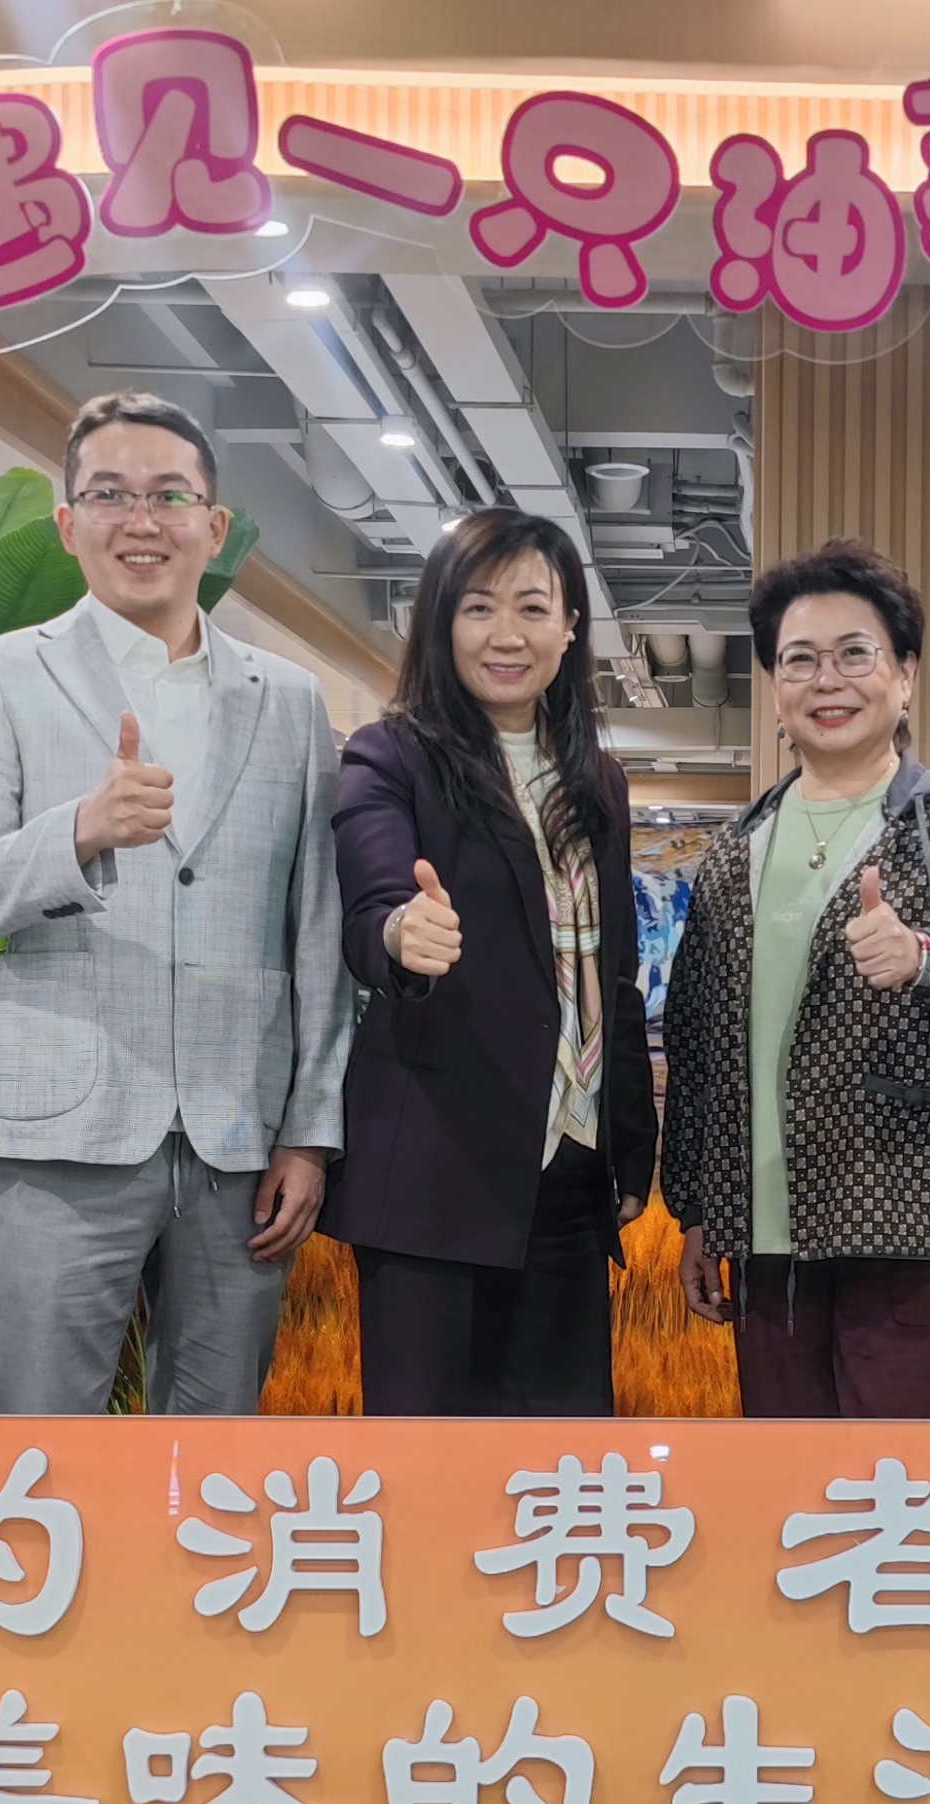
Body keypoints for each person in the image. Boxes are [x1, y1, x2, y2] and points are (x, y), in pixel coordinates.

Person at [0, 391, 347, 1418]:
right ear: (68, 523)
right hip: (57, 1134)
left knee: (215, 1450)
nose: (141, 520)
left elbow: (318, 930)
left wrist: (309, 1132)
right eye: (109, 495)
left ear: (214, 525)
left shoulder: (290, 700)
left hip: (238, 1139)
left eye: (169, 495)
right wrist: (80, 829)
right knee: (45, 1440)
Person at [659, 539, 930, 1417]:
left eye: (854, 654)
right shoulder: (734, 853)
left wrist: (924, 956)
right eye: (799, 660)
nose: (827, 680)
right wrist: (697, 1210)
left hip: (918, 1226)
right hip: (768, 1240)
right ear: (774, 688)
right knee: (792, 1490)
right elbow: (696, 1042)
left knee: (920, 1484)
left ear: (905, 675)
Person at [321, 509, 654, 1414]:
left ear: (570, 627)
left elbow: (612, 974)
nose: (507, 634)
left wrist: (630, 1145)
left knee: (560, 1464)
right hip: (436, 1175)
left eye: (532, 608)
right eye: (478, 607)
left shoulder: (598, 781)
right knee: (428, 1462)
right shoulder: (390, 755)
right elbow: (371, 908)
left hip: (569, 1176)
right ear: (441, 621)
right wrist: (403, 936)